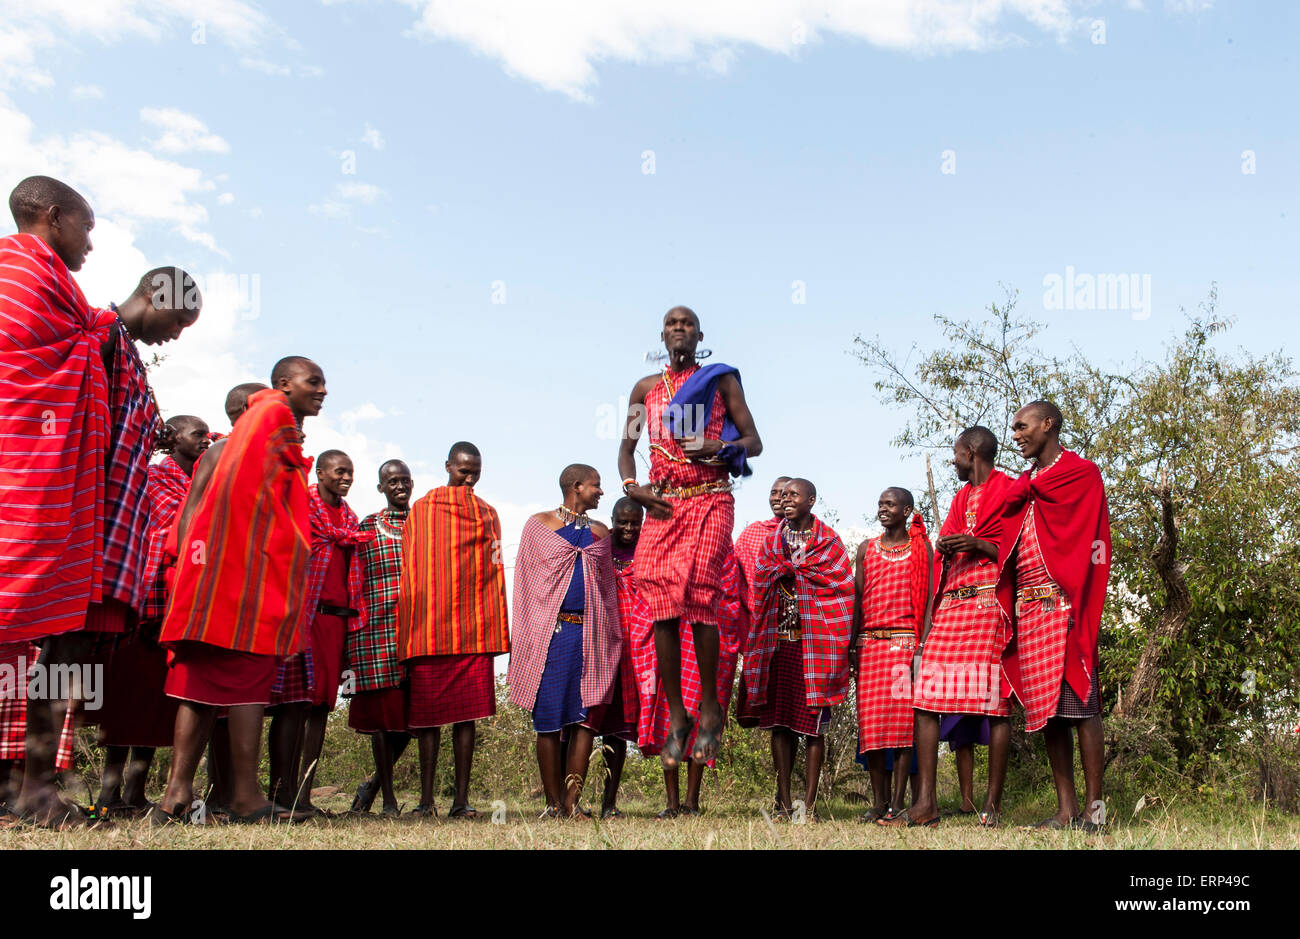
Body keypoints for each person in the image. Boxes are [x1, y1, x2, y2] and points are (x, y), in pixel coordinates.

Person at [153, 356, 325, 824]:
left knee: (200, 687)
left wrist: (188, 576)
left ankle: (176, 797)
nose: (323, 390)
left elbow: (193, 519)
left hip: (210, 581)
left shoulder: (234, 446)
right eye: (315, 381)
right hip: (242, 584)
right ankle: (246, 798)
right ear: (284, 386)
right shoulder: (268, 426)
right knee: (247, 680)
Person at [0, 176, 114, 825]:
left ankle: (33, 788)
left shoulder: (56, 287)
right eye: (86, 227)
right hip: (17, 478)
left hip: (42, 491)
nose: (90, 242)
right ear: (52, 214)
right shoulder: (16, 273)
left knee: (42, 642)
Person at [617, 305, 762, 767]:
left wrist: (720, 447)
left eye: (687, 324)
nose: (679, 330)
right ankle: (677, 715)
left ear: (700, 335)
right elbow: (626, 449)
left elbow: (754, 442)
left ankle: (711, 710)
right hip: (661, 502)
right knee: (660, 603)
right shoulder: (645, 390)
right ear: (662, 336)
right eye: (671, 324)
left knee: (700, 593)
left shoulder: (719, 381)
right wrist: (633, 490)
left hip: (712, 497)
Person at [890, 426, 1014, 828]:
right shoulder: (962, 496)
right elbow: (949, 542)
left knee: (995, 704)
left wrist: (977, 545)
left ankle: (991, 807)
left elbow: (1015, 547)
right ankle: (925, 803)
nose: (954, 460)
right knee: (924, 697)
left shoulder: (1009, 490)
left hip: (988, 600)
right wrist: (947, 545)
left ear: (972, 452)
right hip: (952, 605)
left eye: (957, 454)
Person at [997, 401, 1111, 831]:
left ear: (1048, 425)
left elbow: (1092, 538)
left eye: (1022, 426)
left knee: (1083, 705)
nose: (1016, 434)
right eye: (1012, 428)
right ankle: (1066, 810)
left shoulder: (1081, 474)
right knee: (1049, 713)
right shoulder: (1024, 484)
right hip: (1028, 610)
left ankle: (1094, 813)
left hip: (1066, 604)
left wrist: (1077, 594)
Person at [92, 415, 210, 819]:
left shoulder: (202, 480)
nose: (205, 439)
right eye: (198, 433)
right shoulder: (154, 477)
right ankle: (109, 793)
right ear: (175, 437)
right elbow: (159, 528)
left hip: (180, 599)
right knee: (127, 699)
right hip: (146, 596)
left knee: (158, 702)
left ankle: (136, 790)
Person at [396, 442, 510, 818]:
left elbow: (493, 569)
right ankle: (426, 800)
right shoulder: (423, 510)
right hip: (430, 630)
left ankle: (461, 800)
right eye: (463, 470)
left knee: (467, 718)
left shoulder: (487, 514)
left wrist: (493, 624)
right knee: (427, 720)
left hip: (472, 629)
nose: (469, 477)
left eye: (475, 471)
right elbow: (414, 567)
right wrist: (411, 626)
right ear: (448, 466)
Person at [507, 465, 620, 818]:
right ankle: (552, 805)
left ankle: (572, 803)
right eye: (596, 486)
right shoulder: (538, 526)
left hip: (589, 634)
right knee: (550, 719)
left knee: (584, 719)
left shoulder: (601, 534)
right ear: (577, 486)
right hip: (551, 635)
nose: (601, 492)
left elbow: (607, 593)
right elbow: (527, 586)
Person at [740, 479, 853, 821]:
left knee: (814, 728)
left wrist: (801, 576)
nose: (787, 500)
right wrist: (784, 573)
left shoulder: (829, 541)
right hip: (779, 646)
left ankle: (811, 804)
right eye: (783, 495)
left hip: (816, 646)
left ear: (811, 500)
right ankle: (784, 802)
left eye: (794, 495)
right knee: (780, 726)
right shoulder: (772, 542)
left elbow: (842, 588)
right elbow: (761, 577)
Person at [268, 450, 370, 814]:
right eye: (340, 471)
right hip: (301, 616)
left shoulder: (350, 520)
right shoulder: (302, 507)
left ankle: (303, 796)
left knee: (321, 708)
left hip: (336, 622)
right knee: (292, 703)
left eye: (351, 472)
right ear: (321, 473)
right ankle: (280, 791)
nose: (346, 477)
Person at [852, 488, 932, 825]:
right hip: (870, 644)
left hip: (905, 644)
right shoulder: (866, 549)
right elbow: (857, 599)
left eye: (890, 504)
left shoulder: (921, 548)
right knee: (871, 728)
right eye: (880, 504)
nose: (883, 509)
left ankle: (898, 803)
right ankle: (878, 801)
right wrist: (851, 645)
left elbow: (927, 600)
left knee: (902, 729)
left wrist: (923, 646)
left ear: (907, 510)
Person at [346, 460, 415, 816]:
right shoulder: (368, 526)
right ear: (381, 488)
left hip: (417, 632)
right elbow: (352, 579)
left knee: (411, 719)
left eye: (404, 480)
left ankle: (371, 785)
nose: (399, 486)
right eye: (392, 481)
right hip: (376, 633)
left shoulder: (425, 524)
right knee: (383, 719)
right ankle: (387, 798)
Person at [582, 497, 644, 819]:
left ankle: (609, 803)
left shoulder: (647, 555)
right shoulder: (597, 548)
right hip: (595, 649)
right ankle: (570, 801)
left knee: (617, 732)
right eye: (623, 522)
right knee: (580, 726)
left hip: (631, 653)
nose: (629, 528)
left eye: (635, 522)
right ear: (612, 520)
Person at [733, 476, 793, 616]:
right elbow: (734, 574)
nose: (777, 498)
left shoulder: (809, 534)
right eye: (773, 493)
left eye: (783, 493)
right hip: (755, 615)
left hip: (799, 614)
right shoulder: (753, 532)